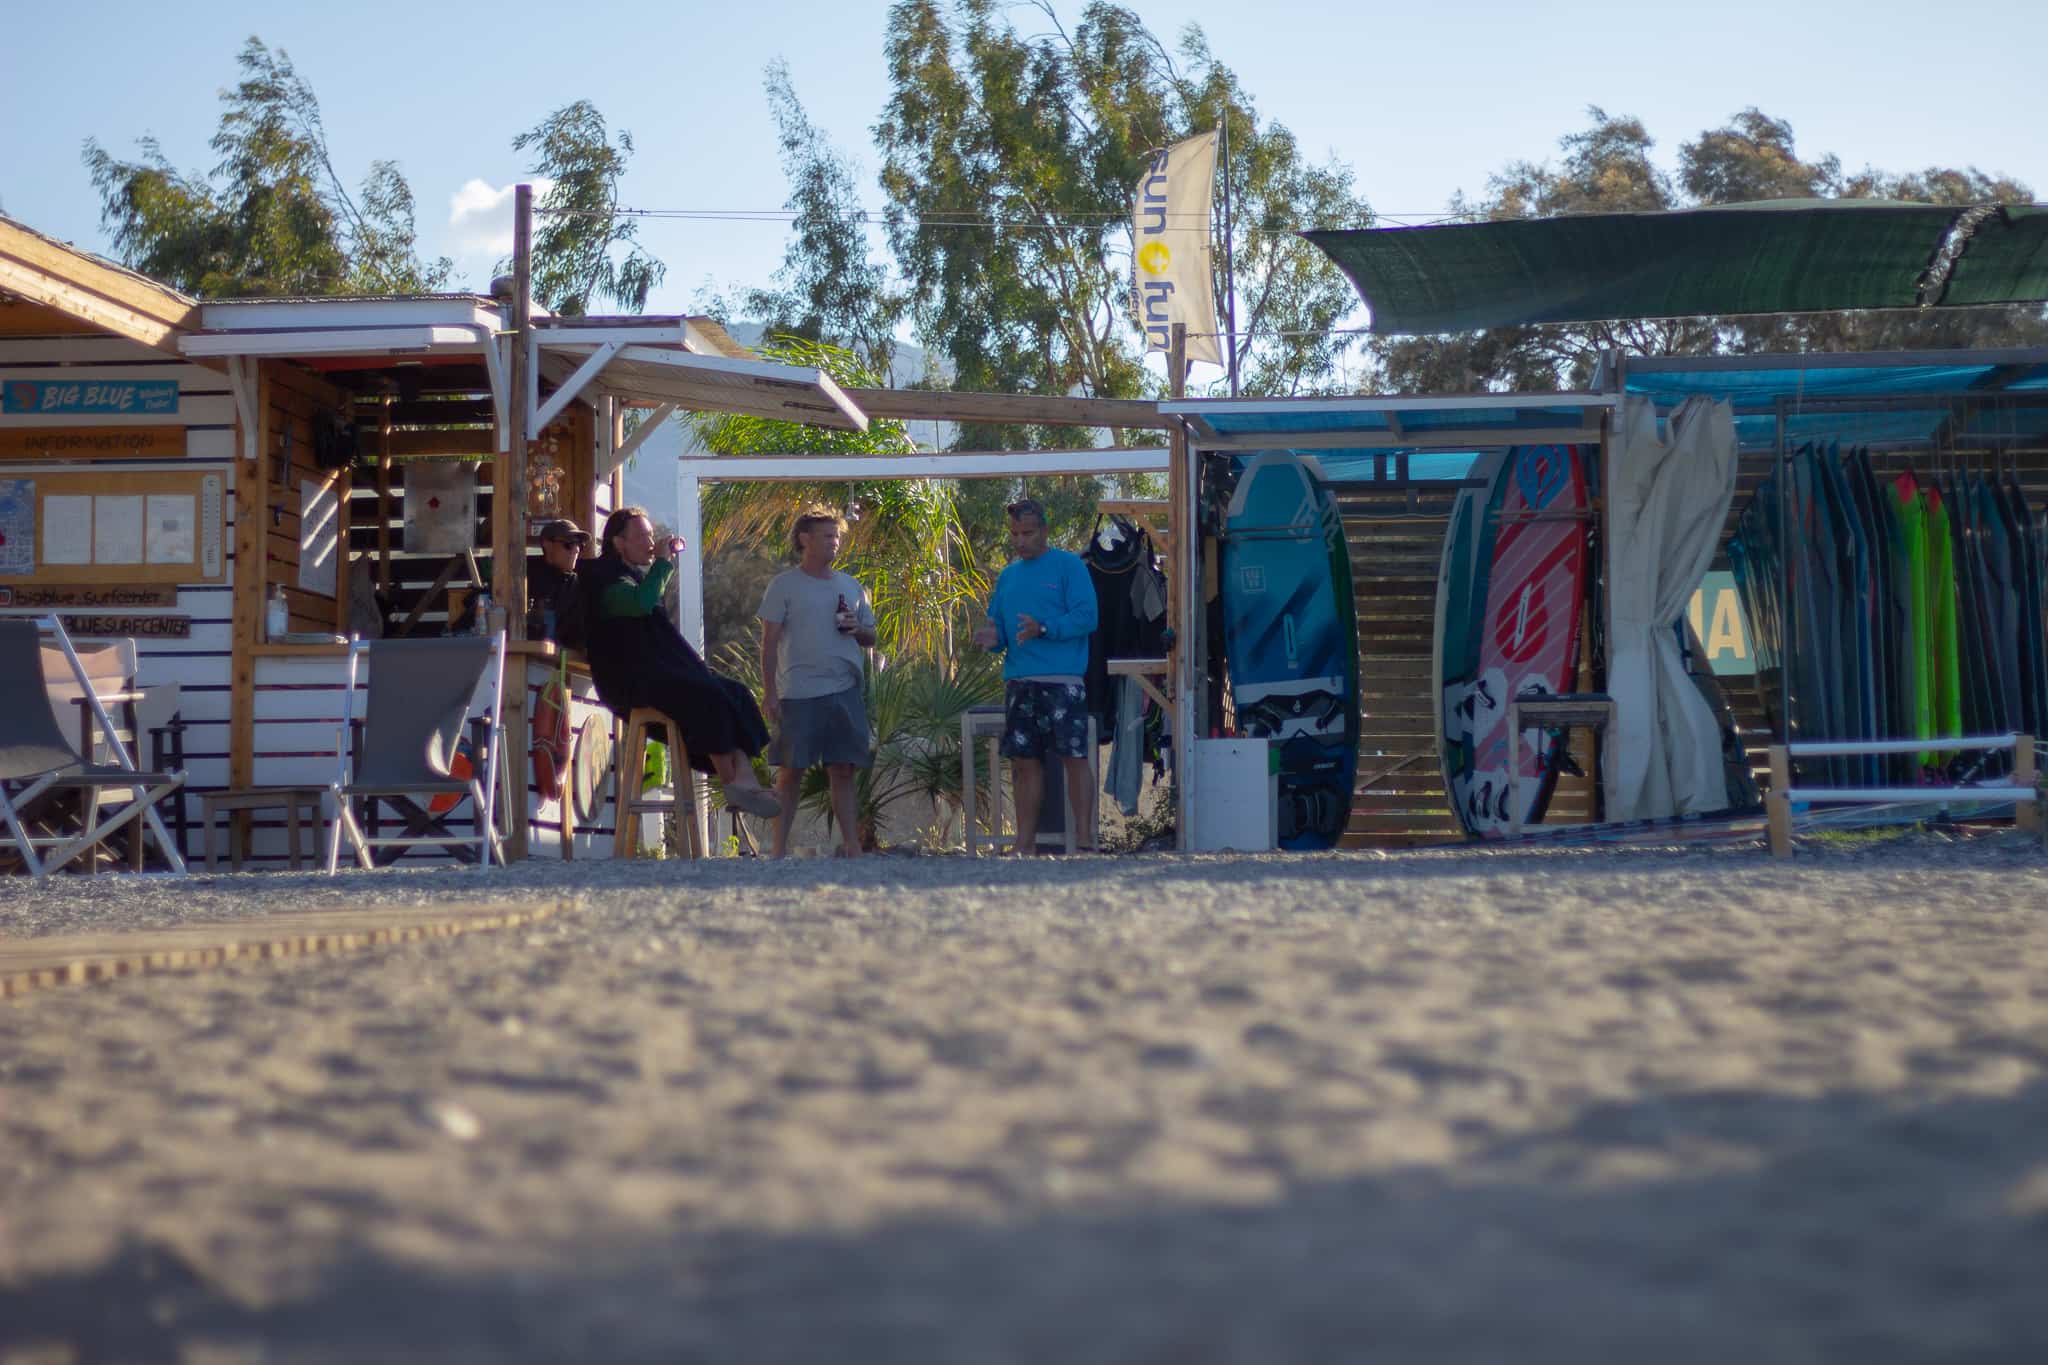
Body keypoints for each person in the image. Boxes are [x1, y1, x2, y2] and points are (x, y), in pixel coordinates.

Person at [577, 506, 781, 819]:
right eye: (642, 536)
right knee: (706, 695)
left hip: (656, 675)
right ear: (618, 542)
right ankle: (732, 782)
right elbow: (641, 603)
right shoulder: (602, 578)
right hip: (627, 681)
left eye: (651, 535)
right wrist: (662, 564)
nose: (650, 542)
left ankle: (744, 779)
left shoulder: (634, 577)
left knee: (735, 693)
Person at [973, 497, 1100, 853]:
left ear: (1044, 530)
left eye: (1027, 533)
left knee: (1074, 757)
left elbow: (1087, 617)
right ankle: (1024, 843)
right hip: (1020, 681)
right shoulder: (1008, 576)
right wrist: (993, 639)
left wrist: (1044, 628)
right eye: (1015, 534)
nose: (1020, 541)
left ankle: (1085, 839)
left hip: (1063, 681)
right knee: (1024, 761)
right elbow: (1000, 628)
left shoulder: (1069, 566)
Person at [757, 506, 877, 859]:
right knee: (791, 771)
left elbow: (871, 636)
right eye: (827, 536)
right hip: (798, 692)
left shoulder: (850, 586)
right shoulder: (783, 586)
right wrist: (770, 693)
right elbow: (768, 643)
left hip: (844, 690)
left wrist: (858, 628)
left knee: (843, 770)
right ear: (804, 539)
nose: (834, 542)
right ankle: (778, 851)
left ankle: (852, 847)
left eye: (837, 536)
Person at [528, 517, 589, 646]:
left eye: (579, 544)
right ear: (547, 544)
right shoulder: (525, 577)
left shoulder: (576, 585)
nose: (576, 550)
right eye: (569, 544)